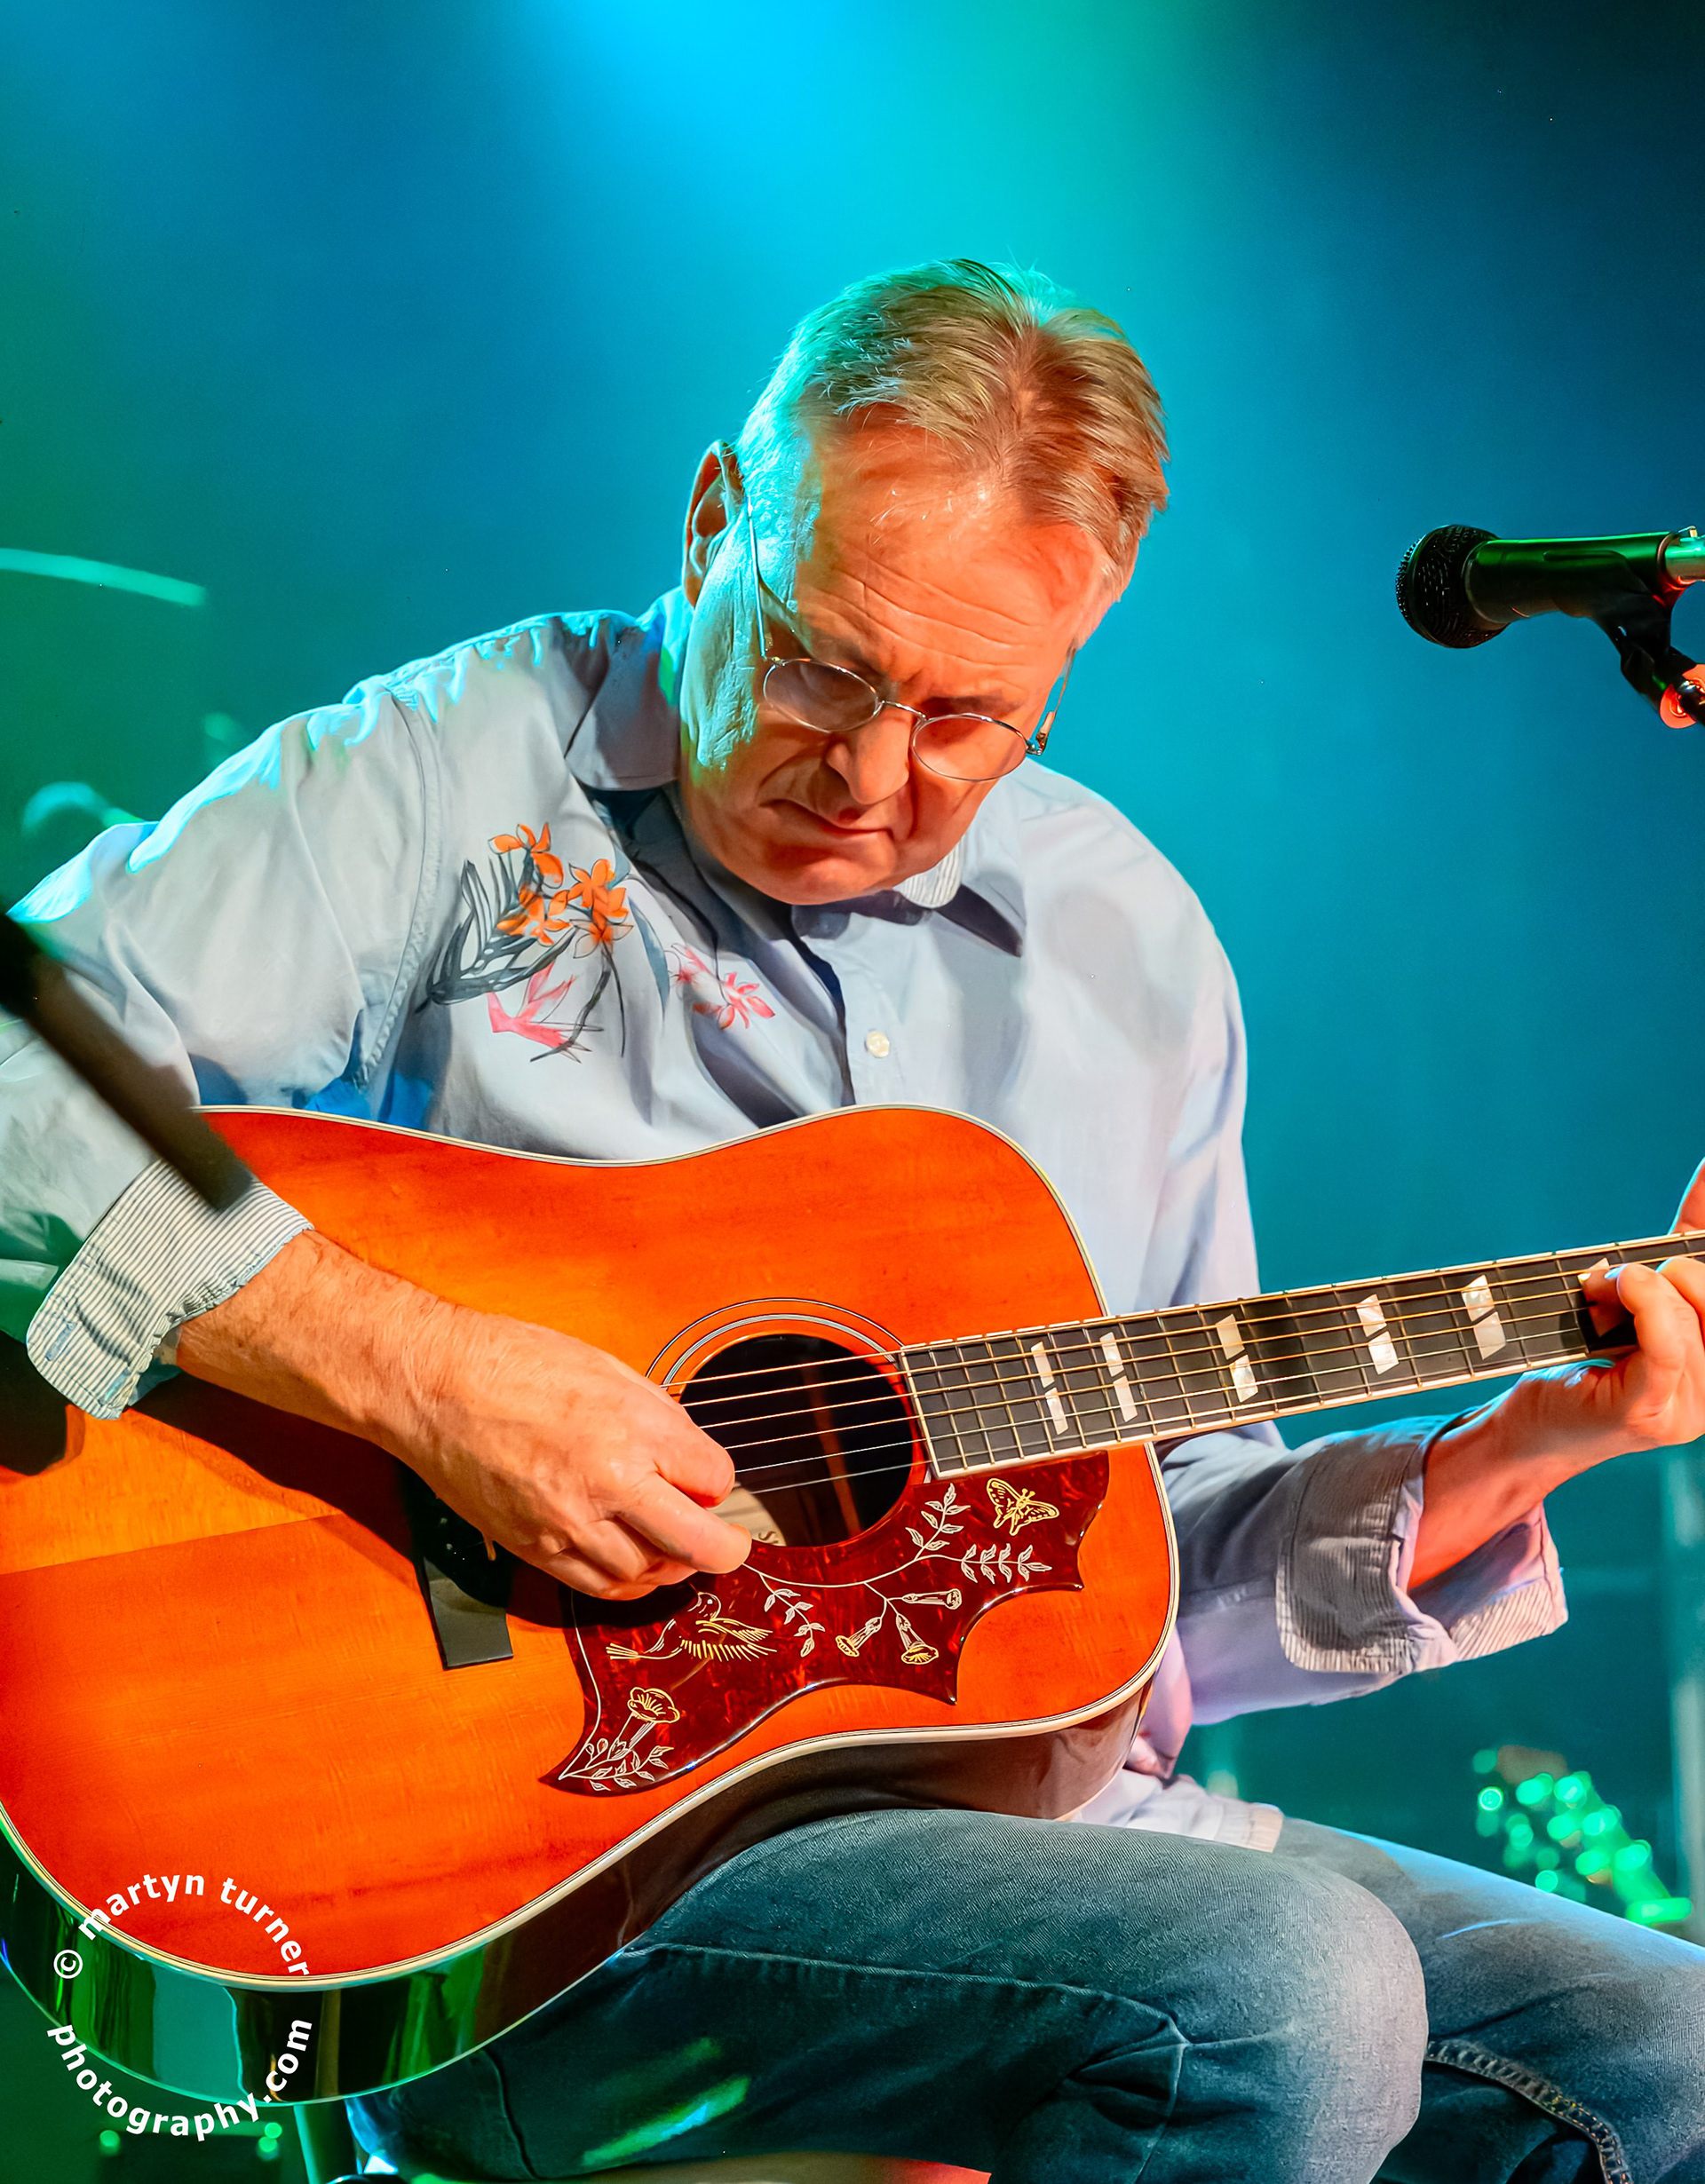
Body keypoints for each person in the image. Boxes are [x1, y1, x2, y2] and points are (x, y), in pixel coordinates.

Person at [7, 260, 1703, 2181]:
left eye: (971, 716)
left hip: (1056, 1858)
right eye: (821, 664)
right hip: (530, 1895)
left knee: (1675, 2062)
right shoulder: (453, 770)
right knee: (1281, 1991)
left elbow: (1152, 1580)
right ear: (714, 519)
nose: (874, 775)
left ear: (1080, 646)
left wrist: (1529, 1442)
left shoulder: (1134, 946)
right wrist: (433, 1376)